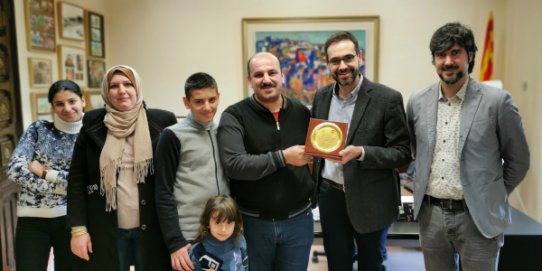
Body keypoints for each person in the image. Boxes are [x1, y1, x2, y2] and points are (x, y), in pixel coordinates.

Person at [406, 22, 530, 271]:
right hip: (432, 218)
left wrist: (489, 193)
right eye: (441, 55)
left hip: (478, 218)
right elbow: (412, 152)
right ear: (434, 60)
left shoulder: (497, 102)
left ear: (470, 56)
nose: (448, 61)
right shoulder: (417, 101)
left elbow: (519, 160)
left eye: (455, 53)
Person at [311, 31, 411, 271]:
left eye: (348, 58)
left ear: (360, 58)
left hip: (372, 200)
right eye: (335, 61)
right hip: (331, 197)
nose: (342, 66)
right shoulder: (321, 97)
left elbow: (402, 153)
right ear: (328, 65)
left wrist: (363, 153)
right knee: (337, 264)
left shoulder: (387, 98)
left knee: (371, 264)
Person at [67, 65, 177, 271]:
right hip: (107, 229)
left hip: (153, 228)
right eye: (114, 86)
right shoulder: (93, 123)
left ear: (137, 88)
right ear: (107, 92)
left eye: (128, 84)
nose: (122, 90)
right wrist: (78, 230)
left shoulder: (163, 121)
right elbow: (76, 180)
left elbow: (176, 176)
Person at [218, 52, 315, 271]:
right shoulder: (234, 116)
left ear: (283, 75)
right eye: (258, 74)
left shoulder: (301, 112)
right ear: (249, 81)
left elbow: (316, 159)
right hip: (253, 223)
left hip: (299, 221)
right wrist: (282, 157)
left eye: (272, 72)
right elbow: (235, 165)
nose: (266, 79)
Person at [155, 72, 229, 271]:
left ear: (219, 97)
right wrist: (175, 243)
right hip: (189, 238)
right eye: (199, 101)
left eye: (212, 100)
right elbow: (162, 192)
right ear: (186, 102)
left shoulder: (223, 131)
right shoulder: (172, 135)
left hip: (222, 232)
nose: (207, 107)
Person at [8, 80, 85, 271]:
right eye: (59, 104)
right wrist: (65, 185)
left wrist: (44, 173)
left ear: (83, 101)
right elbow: (15, 170)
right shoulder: (38, 129)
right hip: (31, 221)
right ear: (52, 107)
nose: (67, 108)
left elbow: (86, 181)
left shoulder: (90, 134)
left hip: (71, 221)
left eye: (72, 101)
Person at [188, 195, 248, 271]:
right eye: (217, 222)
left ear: (236, 223)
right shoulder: (198, 251)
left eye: (229, 223)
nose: (223, 229)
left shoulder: (240, 239)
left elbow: (245, 265)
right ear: (207, 222)